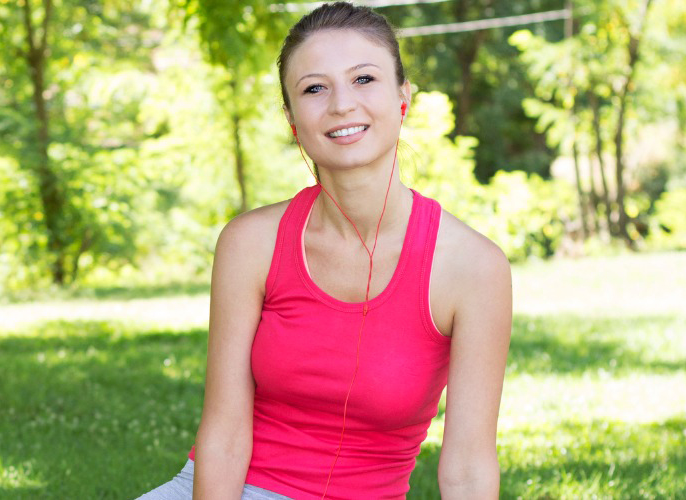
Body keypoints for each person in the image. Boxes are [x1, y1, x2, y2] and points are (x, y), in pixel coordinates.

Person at [138, 3, 512, 499]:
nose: (341, 105)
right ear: (293, 120)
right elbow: (224, 437)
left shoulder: (472, 268)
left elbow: (467, 467)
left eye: (364, 79)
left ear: (403, 100)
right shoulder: (250, 244)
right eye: (315, 88)